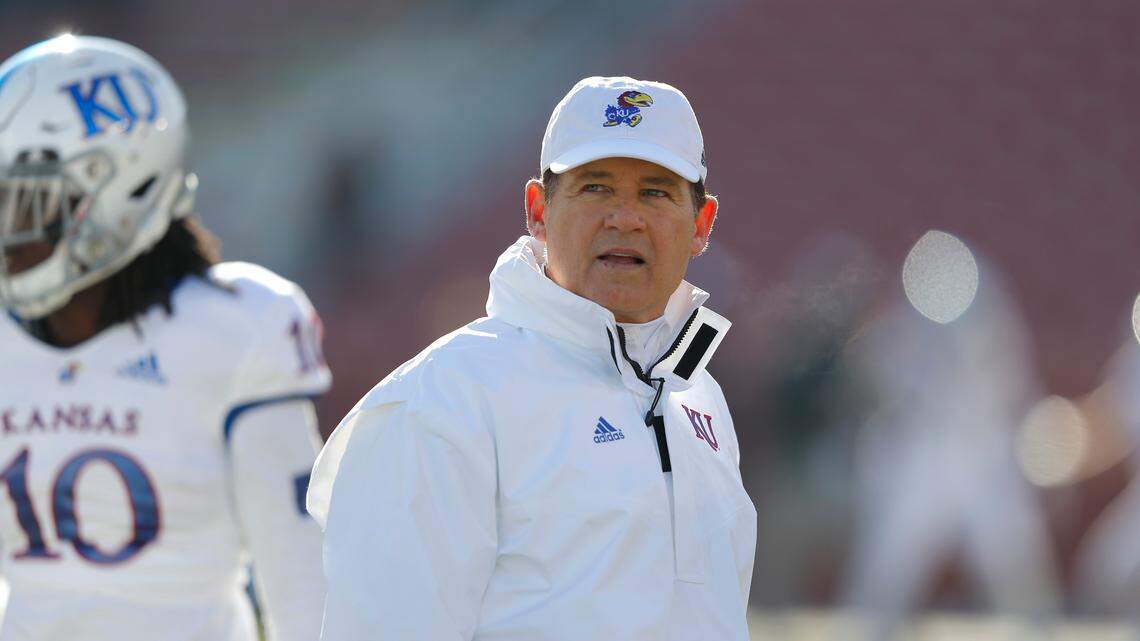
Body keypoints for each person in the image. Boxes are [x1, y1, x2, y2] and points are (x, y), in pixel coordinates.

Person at [308, 76, 756, 640]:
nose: (625, 217)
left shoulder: (697, 397)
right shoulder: (444, 400)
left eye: (655, 192)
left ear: (702, 224)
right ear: (538, 210)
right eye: (595, 188)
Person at [0, 35, 328, 641]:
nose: (8, 235)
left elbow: (300, 582)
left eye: (24, 206)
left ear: (115, 188)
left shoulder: (233, 328)